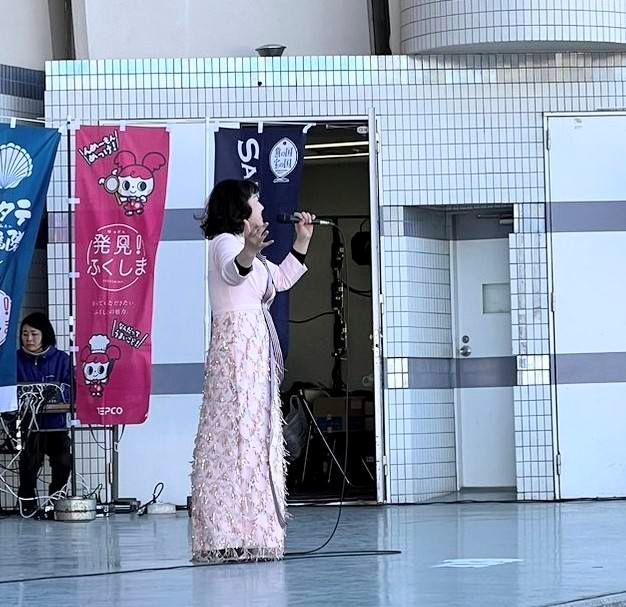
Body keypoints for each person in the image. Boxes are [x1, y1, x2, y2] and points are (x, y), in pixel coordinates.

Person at [191, 179, 315, 563]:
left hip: (254, 349)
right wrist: (248, 250)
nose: (262, 207)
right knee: (236, 435)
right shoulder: (224, 243)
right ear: (240, 209)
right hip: (236, 351)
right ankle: (226, 531)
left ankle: (254, 530)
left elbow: (281, 279)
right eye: (256, 200)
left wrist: (302, 240)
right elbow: (233, 273)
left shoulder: (254, 255)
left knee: (256, 435)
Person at [17, 312, 72, 512]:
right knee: (28, 463)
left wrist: (57, 394)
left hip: (56, 425)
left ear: (45, 335)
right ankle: (27, 504)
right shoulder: (14, 360)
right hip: (27, 426)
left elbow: (70, 389)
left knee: (64, 461)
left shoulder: (61, 359)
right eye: (25, 334)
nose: (29, 339)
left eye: (34, 334)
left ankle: (55, 499)